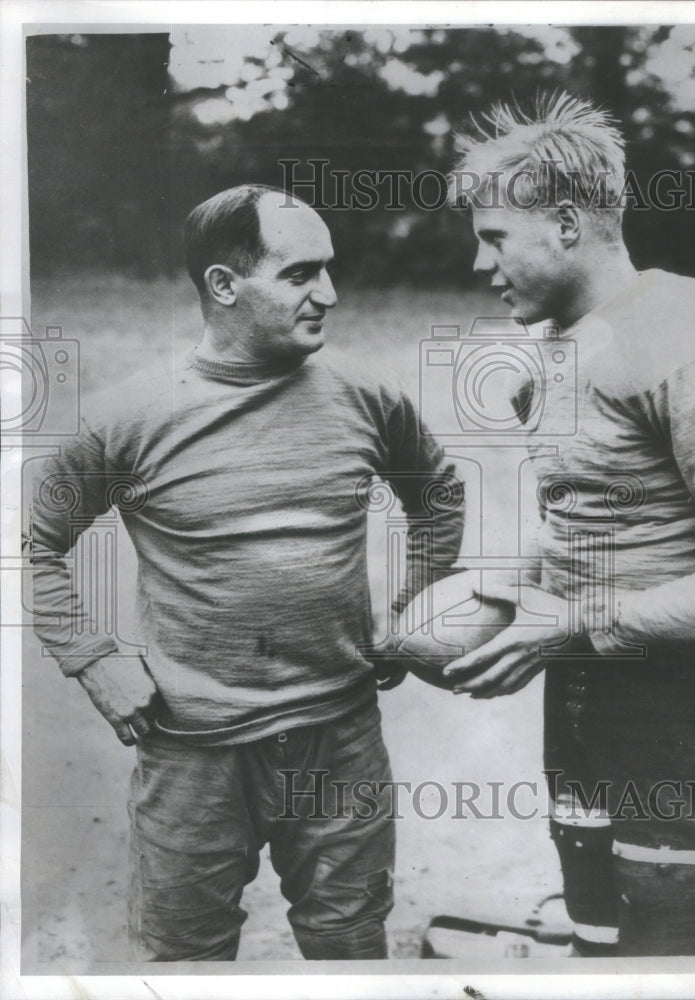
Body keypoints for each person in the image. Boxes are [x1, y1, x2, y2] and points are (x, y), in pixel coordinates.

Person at [29, 185, 464, 961]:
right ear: (223, 286)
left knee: (352, 951)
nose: (328, 294)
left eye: (328, 271)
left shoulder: (368, 397)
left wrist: (411, 612)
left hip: (341, 736)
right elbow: (29, 544)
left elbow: (437, 496)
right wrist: (93, 660)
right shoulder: (128, 418)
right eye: (300, 274)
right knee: (187, 961)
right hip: (193, 751)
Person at [443, 93, 695, 957]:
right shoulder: (562, 344)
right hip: (587, 702)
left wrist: (578, 623)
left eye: (493, 238)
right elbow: (584, 519)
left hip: (686, 720)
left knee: (670, 964)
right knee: (599, 941)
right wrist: (487, 598)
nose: (482, 263)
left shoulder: (690, 332)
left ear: (564, 223)